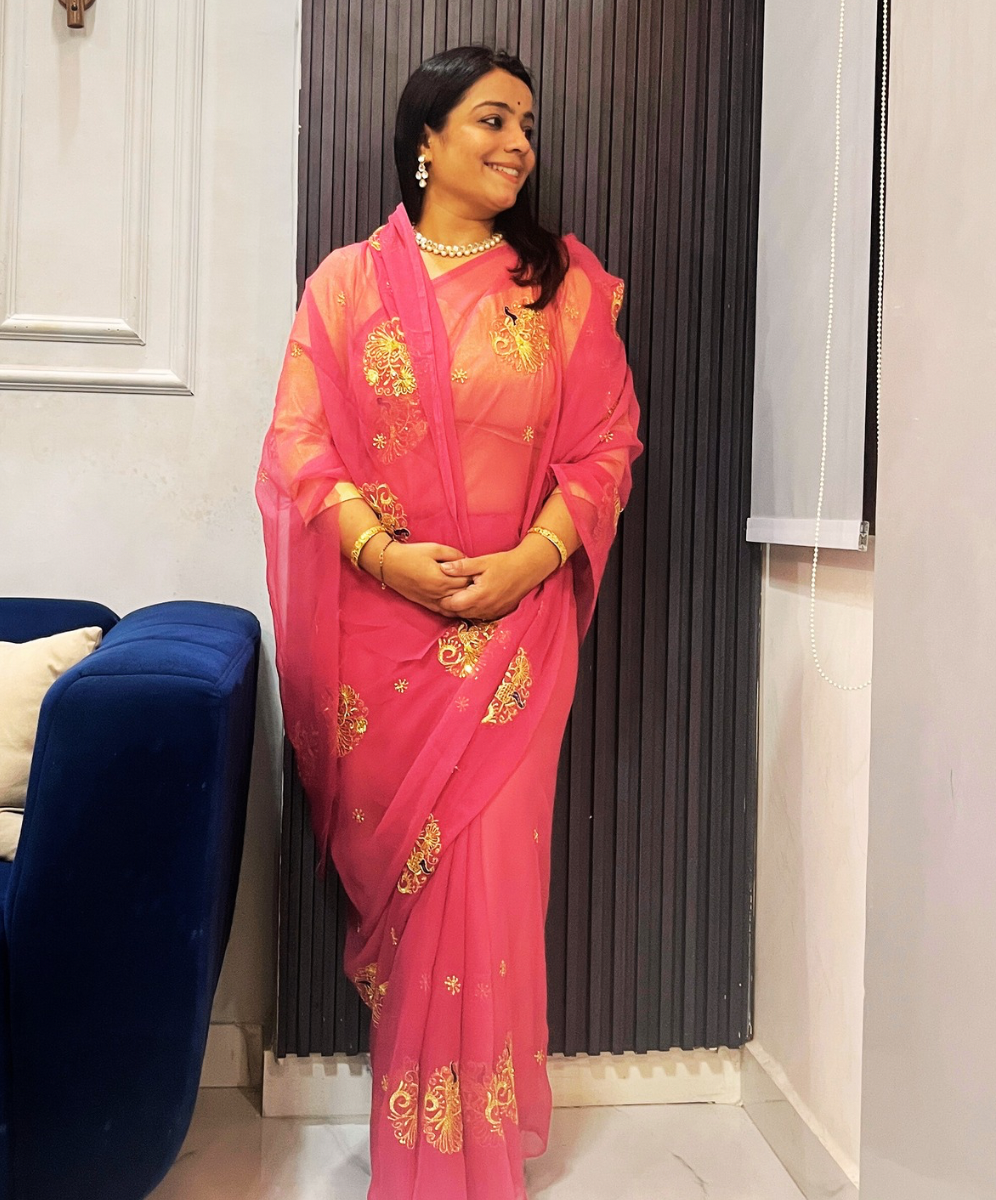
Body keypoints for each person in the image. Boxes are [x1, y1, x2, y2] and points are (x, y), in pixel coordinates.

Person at [256, 44, 643, 1200]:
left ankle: (470, 1161)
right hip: (382, 646)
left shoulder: (560, 286)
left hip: (516, 639)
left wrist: (529, 560)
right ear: (425, 139)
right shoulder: (344, 286)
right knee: (422, 906)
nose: (518, 143)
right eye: (491, 119)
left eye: (527, 124)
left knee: (484, 888)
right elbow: (298, 449)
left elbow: (605, 449)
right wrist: (385, 557)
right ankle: (421, 1156)